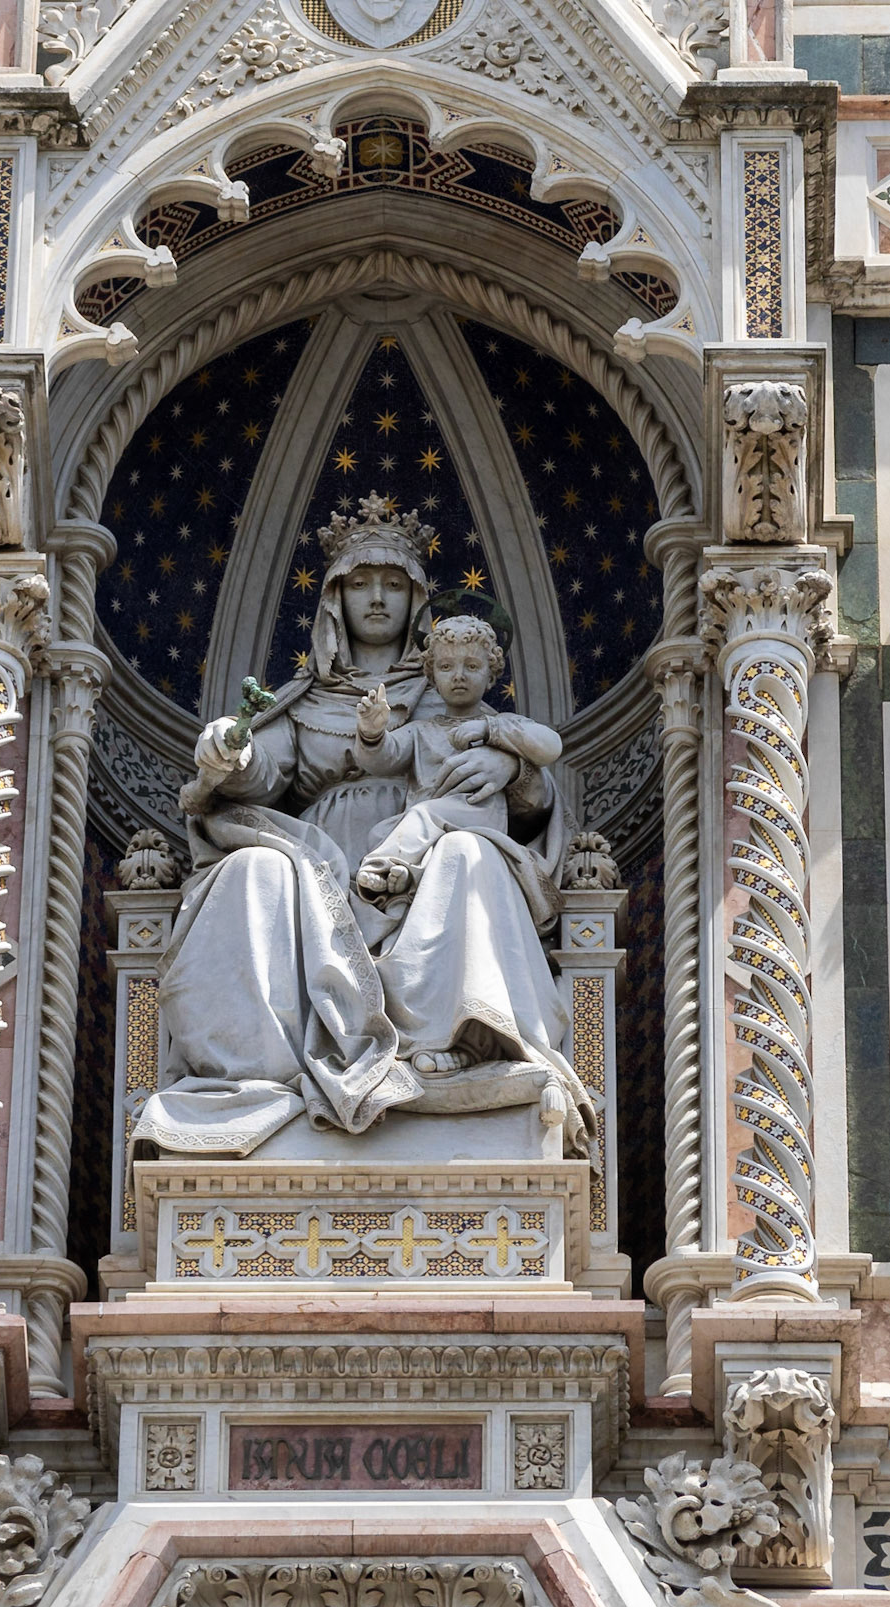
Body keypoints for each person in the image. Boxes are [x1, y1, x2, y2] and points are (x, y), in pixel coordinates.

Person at [130, 493, 593, 1157]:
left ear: (418, 601)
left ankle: (451, 1046)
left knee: (470, 854)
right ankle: (263, 1071)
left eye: (393, 584)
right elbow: (264, 776)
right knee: (252, 872)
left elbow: (534, 793)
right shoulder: (307, 698)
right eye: (361, 584)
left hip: (421, 859)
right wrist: (229, 753)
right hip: (316, 857)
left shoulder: (453, 694)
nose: (377, 598)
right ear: (334, 601)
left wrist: (510, 770)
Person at [352, 612, 561, 908]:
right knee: (383, 831)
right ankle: (406, 874)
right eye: (446, 666)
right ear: (433, 676)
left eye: (472, 666)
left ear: (491, 674)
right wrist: (373, 732)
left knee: (422, 818)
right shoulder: (421, 730)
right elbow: (382, 760)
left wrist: (491, 729)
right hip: (430, 817)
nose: (459, 675)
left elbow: (551, 746)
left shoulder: (504, 725)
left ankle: (380, 867)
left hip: (479, 815)